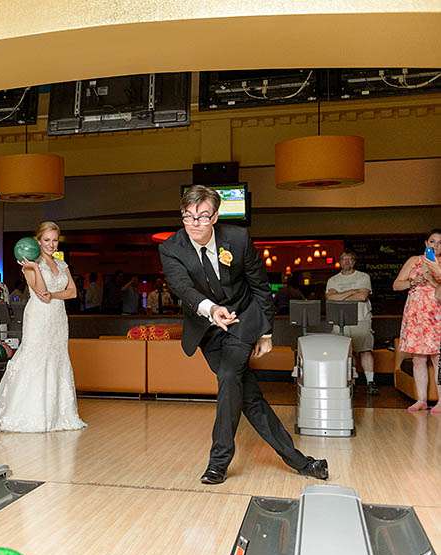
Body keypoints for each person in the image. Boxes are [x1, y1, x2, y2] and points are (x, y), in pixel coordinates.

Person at [159, 185, 327, 484]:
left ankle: (218, 462)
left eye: (202, 216)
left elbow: (260, 287)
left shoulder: (237, 238)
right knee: (247, 396)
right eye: (187, 217)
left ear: (215, 216)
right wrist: (211, 310)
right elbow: (182, 288)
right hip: (207, 329)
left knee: (227, 377)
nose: (194, 224)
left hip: (241, 320)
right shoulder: (171, 248)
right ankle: (301, 462)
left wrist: (265, 331)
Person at [0, 221, 87, 433]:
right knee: (36, 355)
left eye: (55, 240)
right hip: (38, 316)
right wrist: (37, 269)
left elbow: (72, 292)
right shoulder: (29, 263)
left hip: (58, 317)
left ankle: (57, 415)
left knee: (56, 356)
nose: (51, 244)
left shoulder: (63, 265)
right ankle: (30, 412)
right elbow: (40, 292)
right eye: (47, 240)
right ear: (38, 241)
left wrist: (55, 295)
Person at [392, 228, 441, 414]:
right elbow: (396, 285)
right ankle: (421, 399)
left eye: (440, 242)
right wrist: (413, 282)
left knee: (438, 358)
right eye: (432, 241)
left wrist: (433, 279)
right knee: (418, 359)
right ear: (426, 243)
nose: (436, 245)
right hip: (415, 314)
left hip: (436, 315)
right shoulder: (414, 261)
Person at [326, 250, 378, 394]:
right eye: (344, 259)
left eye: (350, 259)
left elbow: (362, 296)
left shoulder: (363, 277)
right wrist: (352, 291)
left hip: (361, 318)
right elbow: (331, 298)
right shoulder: (333, 280)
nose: (346, 262)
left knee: (365, 350)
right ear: (340, 261)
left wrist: (340, 295)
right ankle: (349, 382)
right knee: (344, 352)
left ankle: (370, 382)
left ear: (354, 262)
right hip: (340, 320)